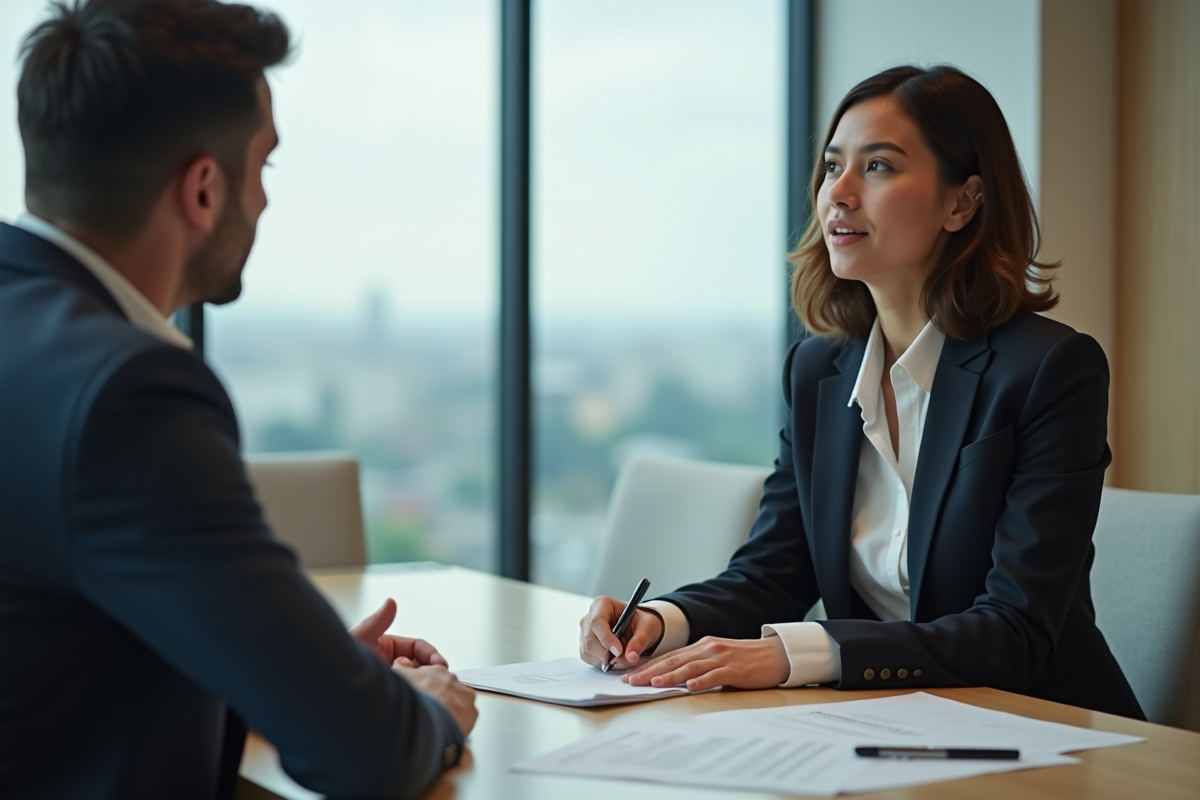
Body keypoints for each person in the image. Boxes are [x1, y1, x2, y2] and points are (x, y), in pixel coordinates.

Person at [0, 1, 476, 798]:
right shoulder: (128, 395)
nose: (265, 202)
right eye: (266, 167)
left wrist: (293, 675)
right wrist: (420, 710)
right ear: (204, 189)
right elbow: (365, 757)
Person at [579, 64, 1144, 720]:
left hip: (1044, 731)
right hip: (885, 726)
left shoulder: (1051, 370)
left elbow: (1014, 629)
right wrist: (662, 619)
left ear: (961, 202)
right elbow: (774, 571)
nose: (837, 194)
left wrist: (800, 653)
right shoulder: (818, 370)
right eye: (831, 166)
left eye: (877, 167)